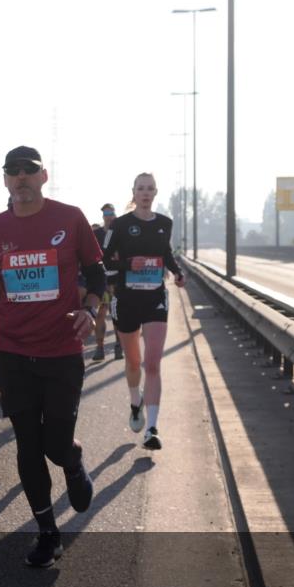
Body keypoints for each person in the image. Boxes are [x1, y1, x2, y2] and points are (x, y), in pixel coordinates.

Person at [0, 146, 101, 567]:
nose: (21, 177)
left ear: (43, 176)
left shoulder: (70, 218)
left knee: (56, 444)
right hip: (13, 351)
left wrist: (90, 310)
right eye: (13, 172)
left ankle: (73, 465)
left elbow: (95, 273)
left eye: (28, 171)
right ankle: (47, 532)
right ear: (5, 180)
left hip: (61, 351)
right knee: (27, 443)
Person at [101, 173, 184, 450]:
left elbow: (166, 254)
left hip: (154, 299)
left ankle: (151, 428)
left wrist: (177, 272)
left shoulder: (164, 223)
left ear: (155, 192)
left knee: (153, 364)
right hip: (126, 299)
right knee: (134, 362)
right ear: (133, 193)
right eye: (141, 189)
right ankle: (135, 402)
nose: (145, 193)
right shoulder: (120, 225)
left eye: (150, 189)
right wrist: (127, 265)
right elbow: (103, 261)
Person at [91, 203, 123, 361]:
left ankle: (118, 346)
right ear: (103, 216)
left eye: (111, 213)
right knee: (101, 313)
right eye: (106, 213)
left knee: (117, 314)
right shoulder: (96, 234)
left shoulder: (120, 233)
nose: (109, 216)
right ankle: (100, 347)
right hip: (102, 279)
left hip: (118, 279)